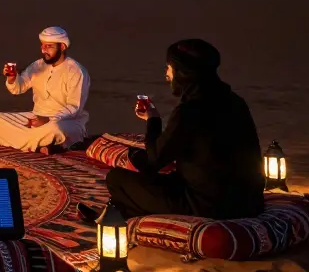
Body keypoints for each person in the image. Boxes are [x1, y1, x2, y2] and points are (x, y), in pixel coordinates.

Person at [78, 39, 264, 222]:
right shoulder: (235, 101)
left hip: (210, 205)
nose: (167, 73)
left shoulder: (191, 110)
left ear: (183, 72)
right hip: (249, 201)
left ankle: (118, 214)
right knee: (159, 176)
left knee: (117, 179)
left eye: (169, 67)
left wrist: (153, 120)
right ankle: (121, 210)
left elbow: (155, 160)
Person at [0, 26, 91, 153]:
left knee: (54, 129)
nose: (43, 50)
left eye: (49, 46)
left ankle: (13, 141)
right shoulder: (37, 66)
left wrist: (48, 120)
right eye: (42, 45)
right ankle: (39, 144)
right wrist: (12, 79)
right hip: (36, 117)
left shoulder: (76, 71)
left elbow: (74, 107)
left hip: (66, 121)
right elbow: (19, 88)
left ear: (62, 47)